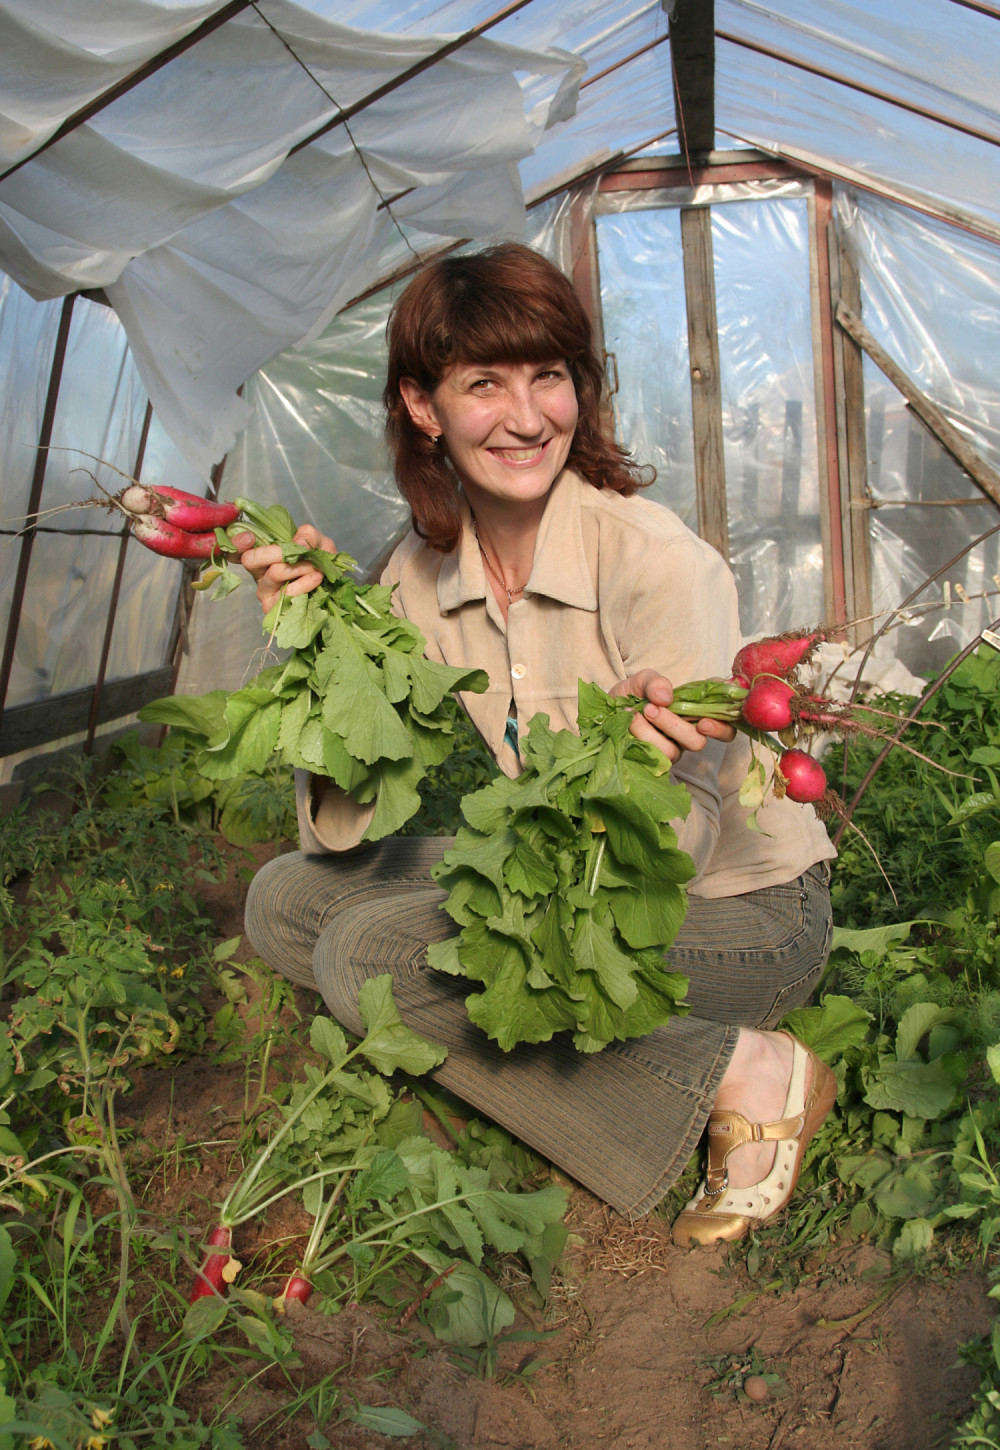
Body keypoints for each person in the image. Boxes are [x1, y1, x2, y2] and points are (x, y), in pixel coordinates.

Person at [236, 242, 838, 1242]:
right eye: (484, 384)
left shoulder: (655, 563)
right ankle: (524, 1055)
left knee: (368, 951)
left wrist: (637, 765)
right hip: (564, 876)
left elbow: (675, 855)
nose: (526, 417)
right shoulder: (419, 572)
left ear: (579, 389)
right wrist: (326, 656)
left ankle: (742, 1065)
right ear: (425, 407)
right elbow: (353, 824)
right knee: (288, 898)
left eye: (547, 377)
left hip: (735, 914)